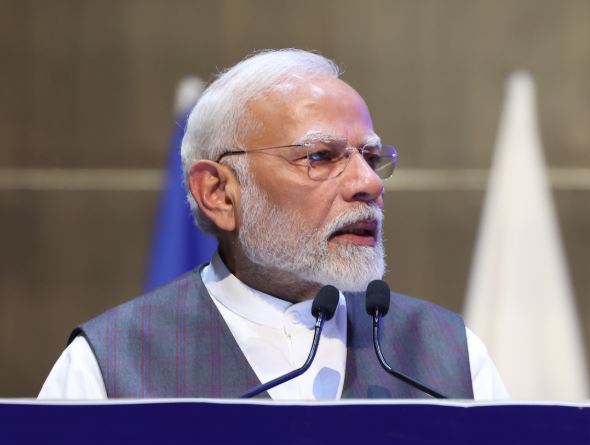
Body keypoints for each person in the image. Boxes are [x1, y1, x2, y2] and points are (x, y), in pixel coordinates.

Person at [39, 49, 509, 400]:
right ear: (218, 193)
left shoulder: (449, 357)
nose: (368, 183)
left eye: (370, 157)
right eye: (320, 157)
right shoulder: (109, 368)